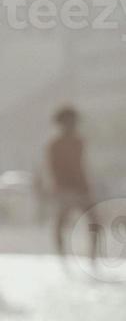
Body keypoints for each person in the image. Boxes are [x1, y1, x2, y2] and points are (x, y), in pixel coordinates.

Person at [46, 105, 99, 266]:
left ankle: (93, 255)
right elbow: (52, 168)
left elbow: (81, 165)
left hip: (81, 187)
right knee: (61, 222)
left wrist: (86, 185)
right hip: (65, 189)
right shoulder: (55, 144)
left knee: (94, 220)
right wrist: (58, 187)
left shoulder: (79, 141)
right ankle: (62, 255)